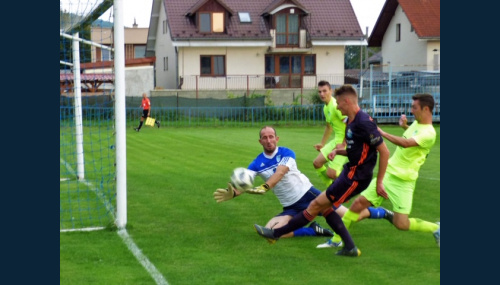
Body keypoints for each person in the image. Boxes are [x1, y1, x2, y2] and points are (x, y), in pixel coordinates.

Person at [254, 84, 390, 257]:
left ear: (347, 101)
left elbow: (384, 151)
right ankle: (350, 247)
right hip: (350, 172)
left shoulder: (364, 122)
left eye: (339, 103)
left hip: (357, 177)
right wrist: (337, 151)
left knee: (316, 205)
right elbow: (357, 150)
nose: (337, 106)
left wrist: (379, 183)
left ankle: (276, 234)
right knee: (324, 208)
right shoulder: (351, 122)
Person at [213, 126, 390, 240]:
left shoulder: (287, 153)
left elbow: (280, 172)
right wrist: (234, 193)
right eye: (264, 138)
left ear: (277, 138)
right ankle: (312, 230)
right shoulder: (256, 162)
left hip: (309, 196)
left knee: (353, 216)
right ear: (260, 141)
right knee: (270, 232)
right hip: (290, 206)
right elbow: (246, 182)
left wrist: (265, 187)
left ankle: (381, 212)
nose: (268, 140)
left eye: (271, 137)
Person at [322, 93, 440, 249]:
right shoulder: (416, 125)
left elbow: (406, 143)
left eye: (414, 107)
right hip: (389, 174)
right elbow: (413, 136)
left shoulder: (430, 133)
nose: (411, 111)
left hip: (404, 182)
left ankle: (436, 228)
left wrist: (381, 133)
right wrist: (404, 126)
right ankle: (337, 239)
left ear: (426, 109)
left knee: (401, 223)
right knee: (358, 204)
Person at [313, 81, 349, 187]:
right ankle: (331, 188)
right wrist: (322, 143)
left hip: (345, 142)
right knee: (317, 163)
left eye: (325, 91)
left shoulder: (335, 106)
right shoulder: (326, 107)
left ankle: (346, 188)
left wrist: (343, 143)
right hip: (336, 141)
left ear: (331, 91)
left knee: (331, 173)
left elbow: (350, 124)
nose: (322, 94)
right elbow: (329, 126)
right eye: (320, 92)